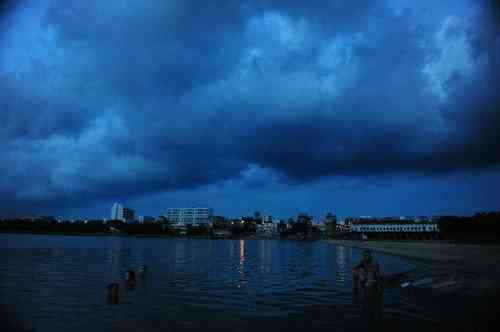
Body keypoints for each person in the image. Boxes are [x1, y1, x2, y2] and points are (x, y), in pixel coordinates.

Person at [352, 250, 383, 322]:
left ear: (370, 255)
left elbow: (376, 274)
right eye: (364, 256)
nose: (366, 257)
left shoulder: (374, 262)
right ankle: (357, 288)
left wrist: (378, 285)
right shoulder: (363, 261)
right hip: (367, 280)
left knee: (370, 298)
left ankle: (370, 309)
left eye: (367, 255)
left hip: (372, 280)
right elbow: (355, 268)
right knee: (357, 272)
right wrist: (359, 272)